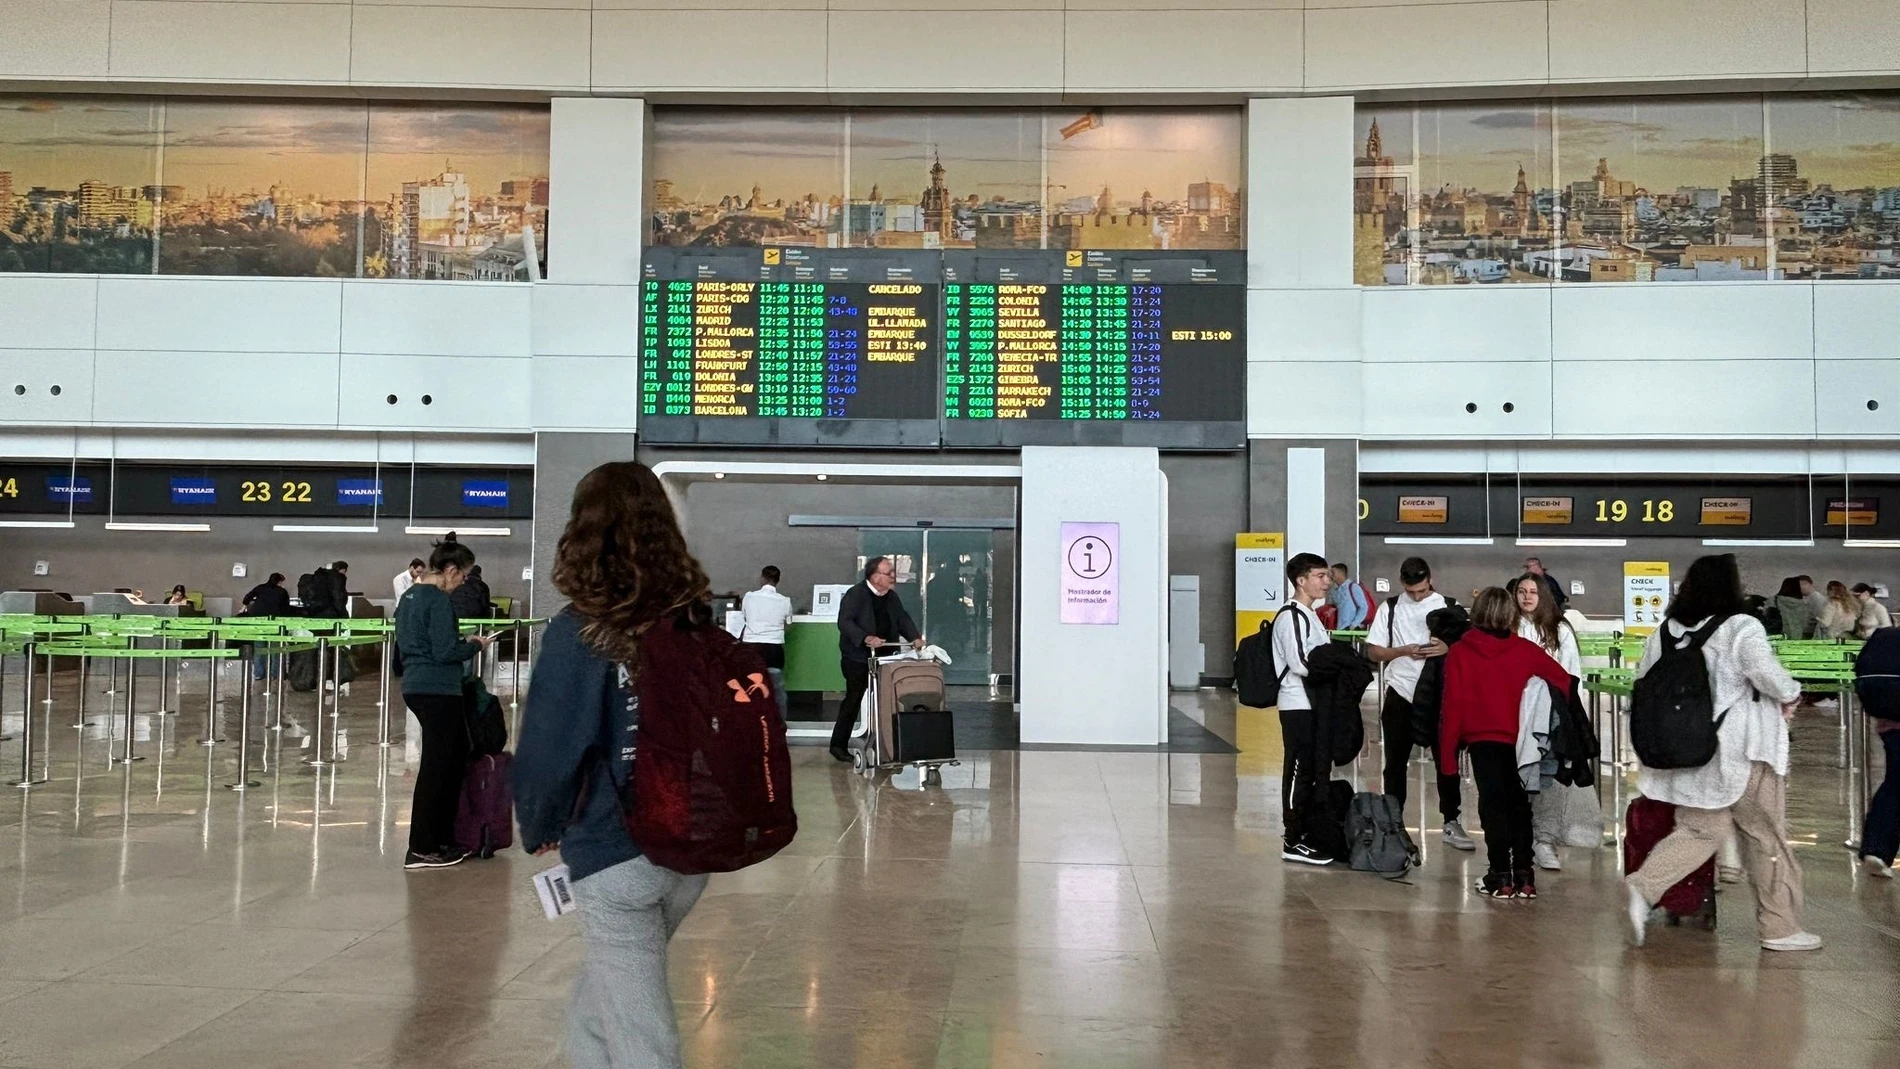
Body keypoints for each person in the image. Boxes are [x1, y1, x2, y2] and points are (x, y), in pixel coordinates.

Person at [514, 460, 714, 1069]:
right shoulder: (693, 621)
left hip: (617, 850)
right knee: (605, 998)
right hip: (691, 845)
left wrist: (540, 824)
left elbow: (550, 748)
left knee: (640, 1033)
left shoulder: (580, 631)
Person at [1623, 553, 1821, 951]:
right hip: (1745, 751)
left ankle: (1643, 887)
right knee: (1765, 838)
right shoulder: (1741, 627)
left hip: (1691, 751)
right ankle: (1780, 928)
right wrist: (1792, 692)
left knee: (1702, 829)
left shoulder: (1665, 632)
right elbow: (1766, 674)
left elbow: (1644, 683)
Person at [1440, 587, 1573, 900]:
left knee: (1492, 804)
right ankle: (1525, 876)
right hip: (1521, 741)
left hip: (1482, 739)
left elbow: (1453, 706)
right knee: (1518, 804)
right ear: (1510, 614)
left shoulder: (1460, 651)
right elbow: (1563, 681)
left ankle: (1500, 876)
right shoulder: (1525, 650)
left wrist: (1447, 757)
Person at [394, 540, 494, 870]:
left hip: (417, 684)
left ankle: (441, 838)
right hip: (437, 688)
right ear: (450, 570)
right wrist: (474, 645)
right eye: (463, 574)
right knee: (438, 767)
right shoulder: (437, 601)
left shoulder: (408, 597)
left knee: (450, 758)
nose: (463, 581)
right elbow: (445, 651)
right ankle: (423, 846)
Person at [1364, 556, 1471, 852]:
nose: (1416, 596)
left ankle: (1451, 819)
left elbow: (1469, 647)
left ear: (1430, 580)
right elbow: (1374, 652)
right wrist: (1402, 651)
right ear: (1402, 583)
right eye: (1411, 591)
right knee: (1395, 762)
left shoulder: (1449, 606)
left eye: (1421, 590)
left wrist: (1448, 647)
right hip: (1401, 691)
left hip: (1439, 694)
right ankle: (1393, 819)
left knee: (1446, 759)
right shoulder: (1390, 608)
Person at [1512, 573, 1585, 872]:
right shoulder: (1509, 627)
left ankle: (1544, 839)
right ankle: (1520, 838)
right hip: (1516, 714)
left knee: (1548, 778)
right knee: (1518, 778)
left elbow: (1572, 674)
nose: (1527, 597)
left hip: (1552, 715)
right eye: (1522, 591)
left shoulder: (1559, 629)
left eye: (1533, 591)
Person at [830, 557, 924, 763]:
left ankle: (886, 743)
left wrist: (915, 637)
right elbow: (845, 622)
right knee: (854, 699)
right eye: (888, 573)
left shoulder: (891, 597)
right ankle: (838, 744)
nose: (893, 576)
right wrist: (866, 638)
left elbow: (902, 619)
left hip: (886, 657)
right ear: (874, 576)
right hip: (857, 658)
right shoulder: (856, 594)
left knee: (887, 699)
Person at [1275, 552, 1336, 865]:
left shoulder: (1310, 615)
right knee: (1298, 768)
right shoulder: (1291, 616)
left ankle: (1305, 829)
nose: (1327, 582)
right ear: (1301, 580)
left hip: (1312, 704)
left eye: (1327, 576)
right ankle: (1291, 838)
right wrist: (1334, 669)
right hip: (1296, 703)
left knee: (1311, 768)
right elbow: (1299, 663)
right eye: (1320, 576)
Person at [1854, 625, 1900, 880]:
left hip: (1890, 724)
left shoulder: (1885, 638)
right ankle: (1877, 849)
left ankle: (1876, 850)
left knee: (1894, 784)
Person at [740, 566, 794, 671]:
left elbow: (744, 617)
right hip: (774, 648)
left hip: (751, 645)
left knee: (751, 677)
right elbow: (788, 624)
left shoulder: (749, 597)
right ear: (778, 580)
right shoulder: (785, 601)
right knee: (774, 678)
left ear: (762, 578)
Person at [240, 572, 292, 679]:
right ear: (279, 581)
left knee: (259, 647)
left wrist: (245, 606)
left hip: (259, 621)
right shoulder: (282, 592)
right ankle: (275, 674)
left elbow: (246, 598)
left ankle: (259, 674)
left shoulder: (260, 588)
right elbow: (286, 609)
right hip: (275, 622)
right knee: (276, 648)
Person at [1327, 563, 1369, 630]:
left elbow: (1363, 607)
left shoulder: (1353, 587)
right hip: (1339, 628)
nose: (1331, 575)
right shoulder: (1335, 591)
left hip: (1351, 629)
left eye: (1333, 572)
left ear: (1340, 573)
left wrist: (1354, 624)